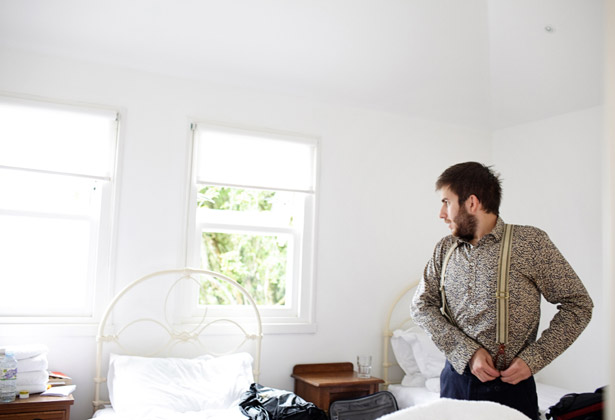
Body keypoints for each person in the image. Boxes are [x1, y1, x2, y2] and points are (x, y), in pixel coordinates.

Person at [410, 162, 593, 420]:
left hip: (511, 391)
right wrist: (467, 352)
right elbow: (421, 306)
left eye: (446, 202)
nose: (442, 213)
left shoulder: (530, 243)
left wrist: (535, 358)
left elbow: (578, 305)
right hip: (454, 384)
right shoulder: (444, 249)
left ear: (471, 203)